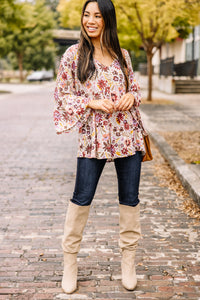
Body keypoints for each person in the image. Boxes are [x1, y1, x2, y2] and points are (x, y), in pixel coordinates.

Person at [54, 0, 146, 294]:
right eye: (86, 15)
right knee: (81, 198)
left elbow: (135, 88)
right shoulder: (74, 54)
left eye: (97, 16)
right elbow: (61, 96)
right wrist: (90, 102)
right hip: (92, 137)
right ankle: (70, 264)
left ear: (107, 20)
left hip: (127, 135)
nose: (90, 21)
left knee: (130, 199)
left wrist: (131, 97)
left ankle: (128, 263)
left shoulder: (123, 55)